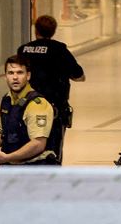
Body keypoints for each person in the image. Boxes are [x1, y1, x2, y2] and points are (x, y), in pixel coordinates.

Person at [17, 14, 85, 164]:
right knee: (53, 147)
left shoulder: (23, 50)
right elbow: (78, 75)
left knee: (26, 143)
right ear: (53, 31)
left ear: (36, 30)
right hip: (54, 108)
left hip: (26, 106)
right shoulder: (59, 50)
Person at [0, 54, 57, 165]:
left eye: (20, 73)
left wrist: (8, 158)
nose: (15, 77)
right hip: (10, 165)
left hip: (35, 168)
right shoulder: (6, 101)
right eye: (10, 73)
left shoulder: (37, 104)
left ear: (28, 75)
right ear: (5, 77)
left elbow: (38, 144)